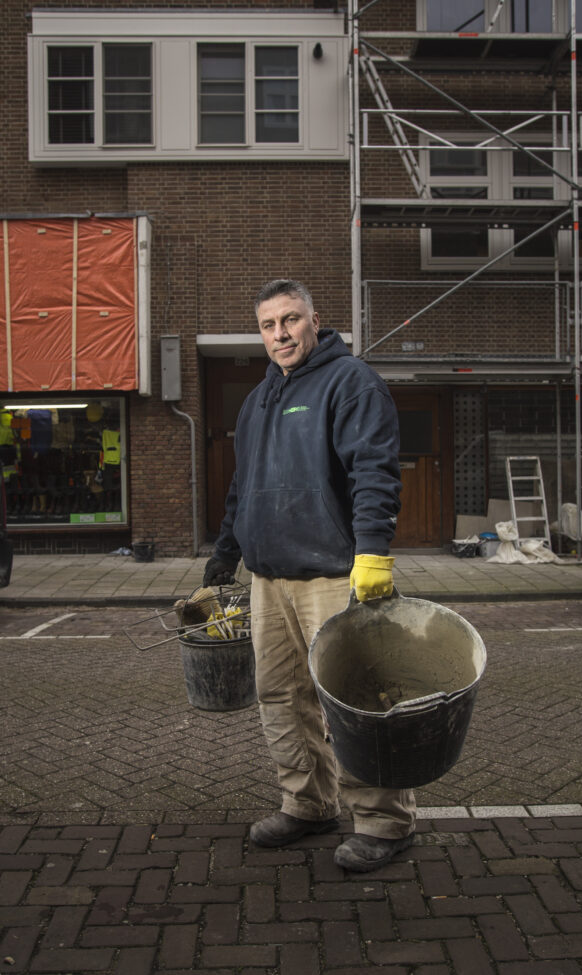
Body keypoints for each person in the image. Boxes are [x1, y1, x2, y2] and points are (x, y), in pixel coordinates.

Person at [203, 279, 416, 872]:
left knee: (353, 700)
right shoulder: (257, 400)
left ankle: (384, 821)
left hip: (333, 575)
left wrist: (372, 553)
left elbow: (374, 469)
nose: (280, 334)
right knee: (281, 696)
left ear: (314, 321)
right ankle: (308, 804)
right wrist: (226, 551)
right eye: (269, 325)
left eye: (290, 320)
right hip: (268, 578)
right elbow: (243, 486)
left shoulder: (351, 382)